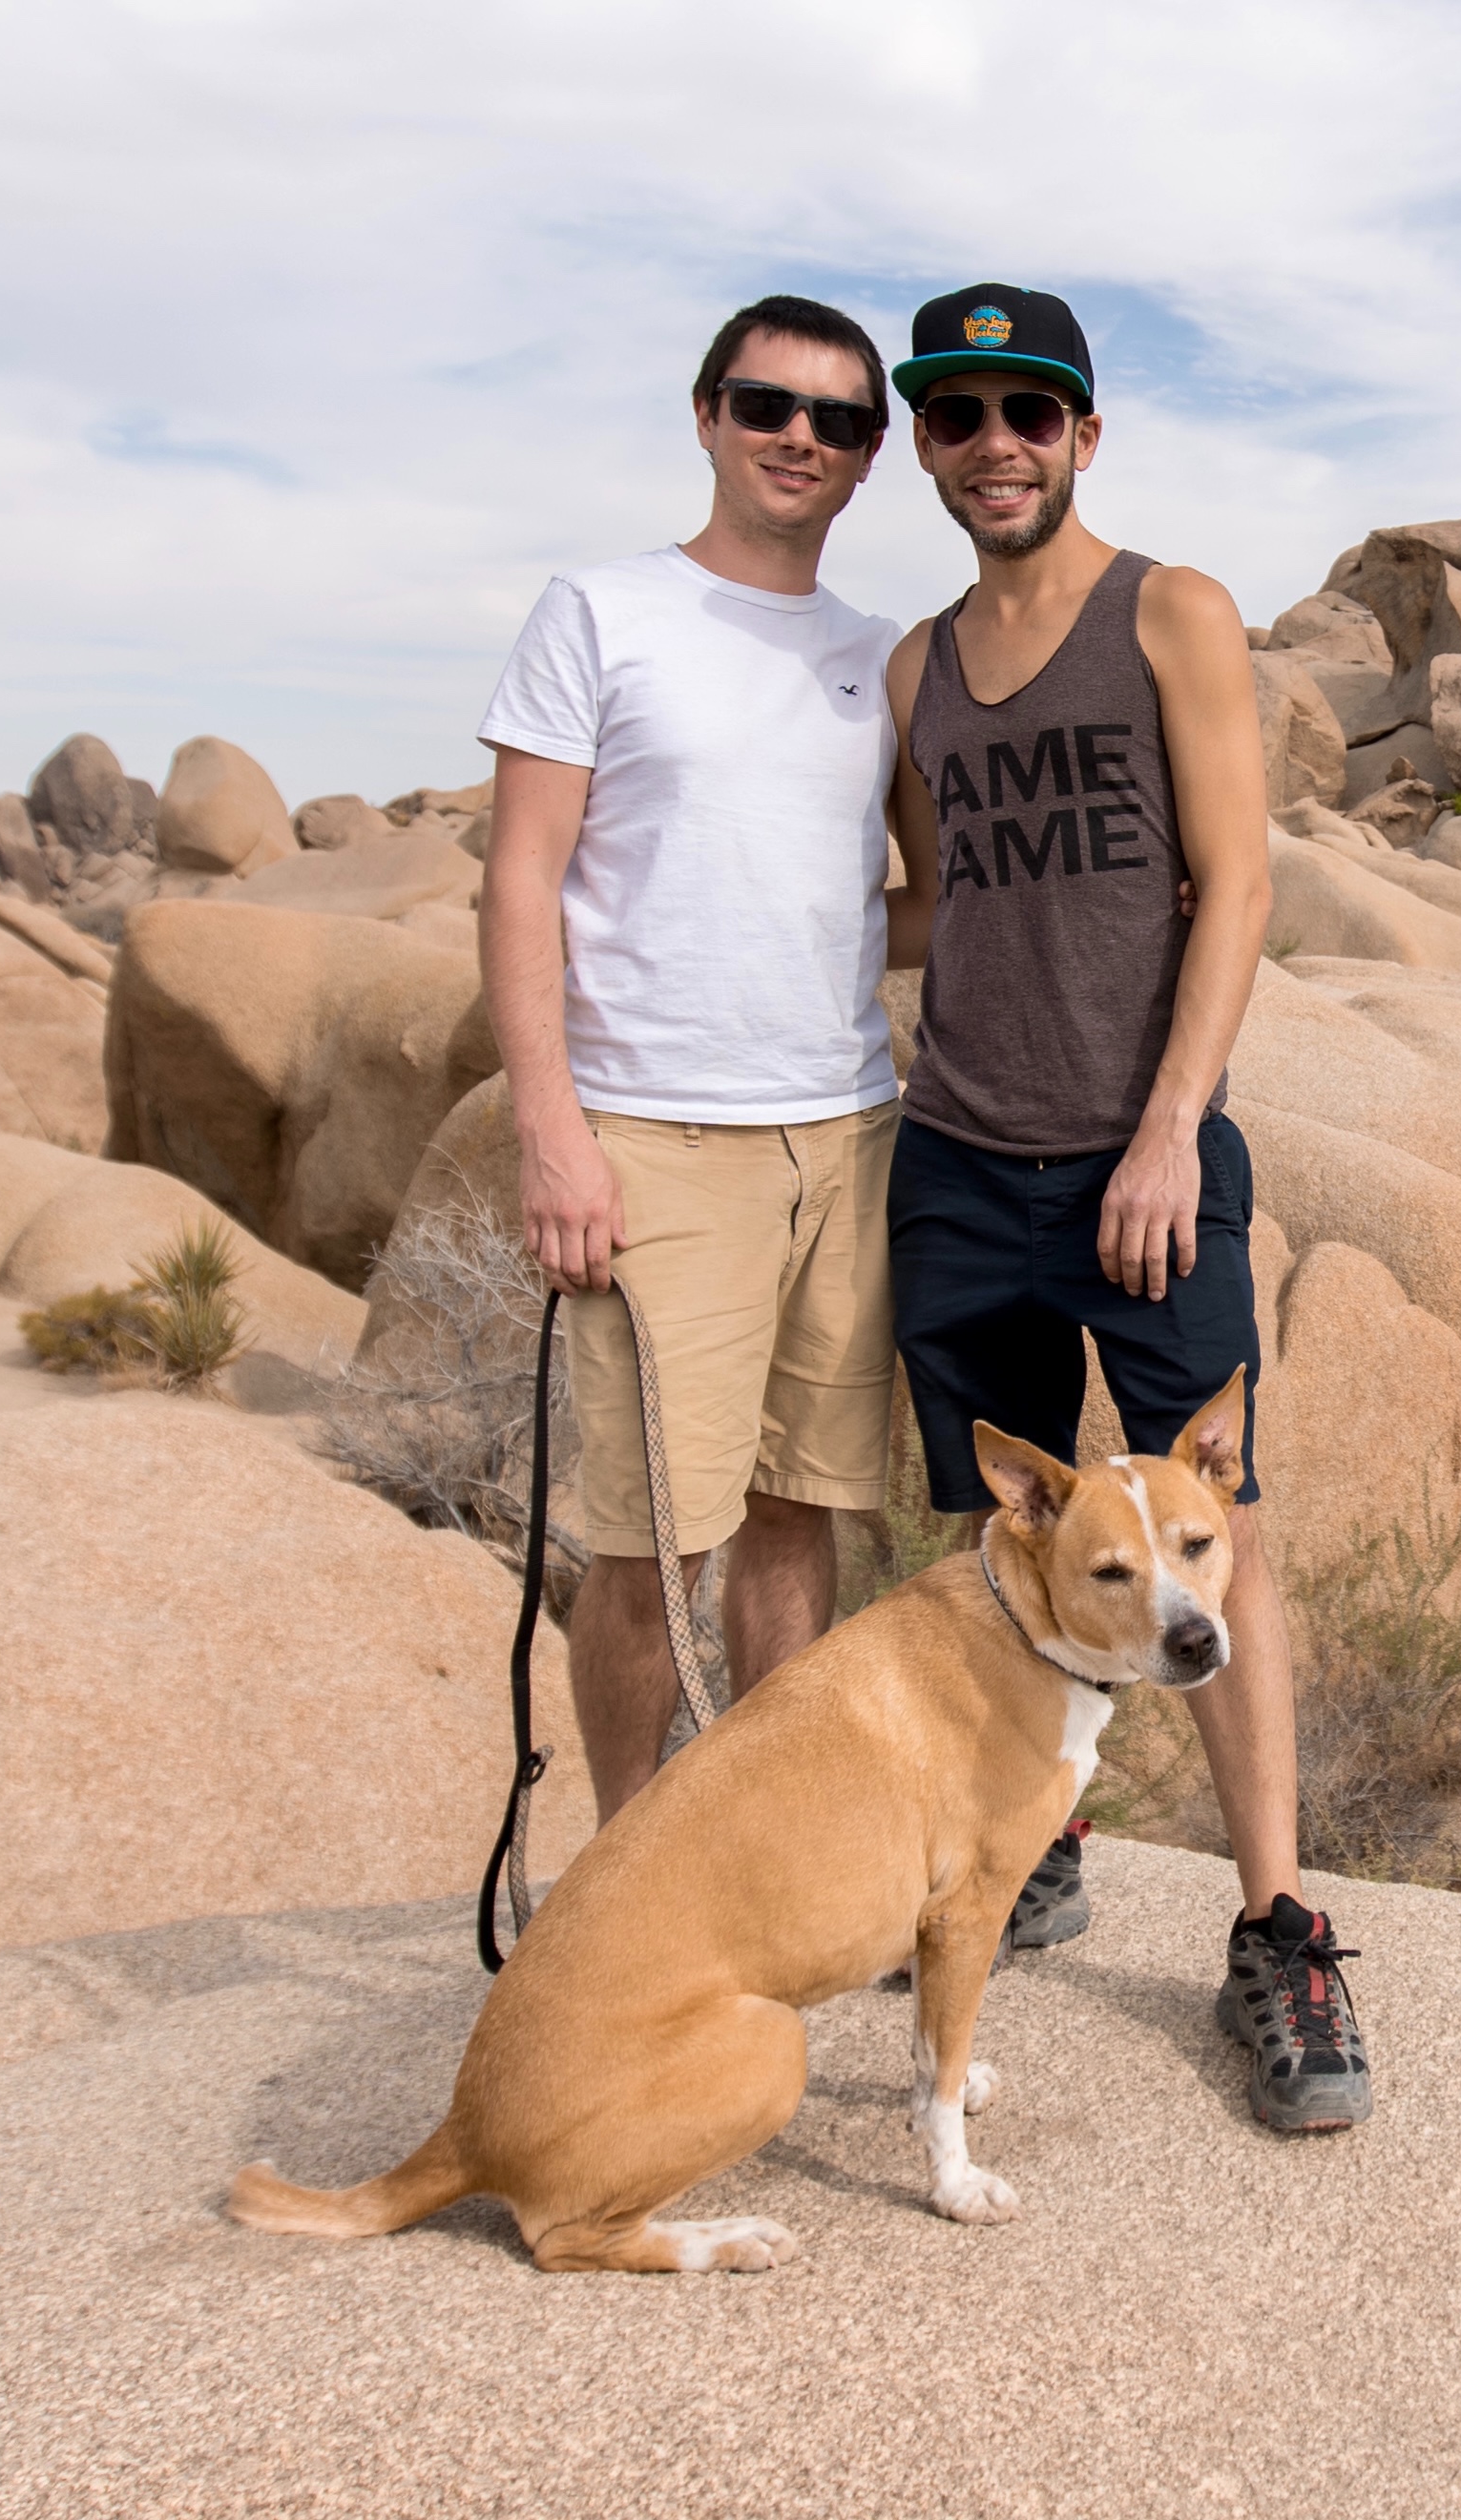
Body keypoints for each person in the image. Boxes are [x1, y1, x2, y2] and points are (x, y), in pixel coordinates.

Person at [877, 282, 1373, 2133]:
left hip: (1135, 1157)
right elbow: (943, 902)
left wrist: (1170, 1127)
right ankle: (1041, 1837)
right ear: (925, 445)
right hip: (958, 1156)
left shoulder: (1167, 609)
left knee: (1210, 1532)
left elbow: (1235, 881)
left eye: (1027, 410)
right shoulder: (915, 671)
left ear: (1083, 432)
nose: (991, 443)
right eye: (956, 415)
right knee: (1016, 1542)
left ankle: (1276, 1924)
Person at [474, 295, 906, 1824]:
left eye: (838, 421)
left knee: (802, 1513)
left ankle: (772, 1840)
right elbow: (521, 874)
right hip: (656, 1140)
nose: (799, 438)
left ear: (867, 459)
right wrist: (550, 1133)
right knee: (652, 1539)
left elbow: (910, 898)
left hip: (847, 1133)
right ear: (708, 414)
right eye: (767, 404)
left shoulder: (877, 658)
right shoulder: (598, 612)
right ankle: (625, 1856)